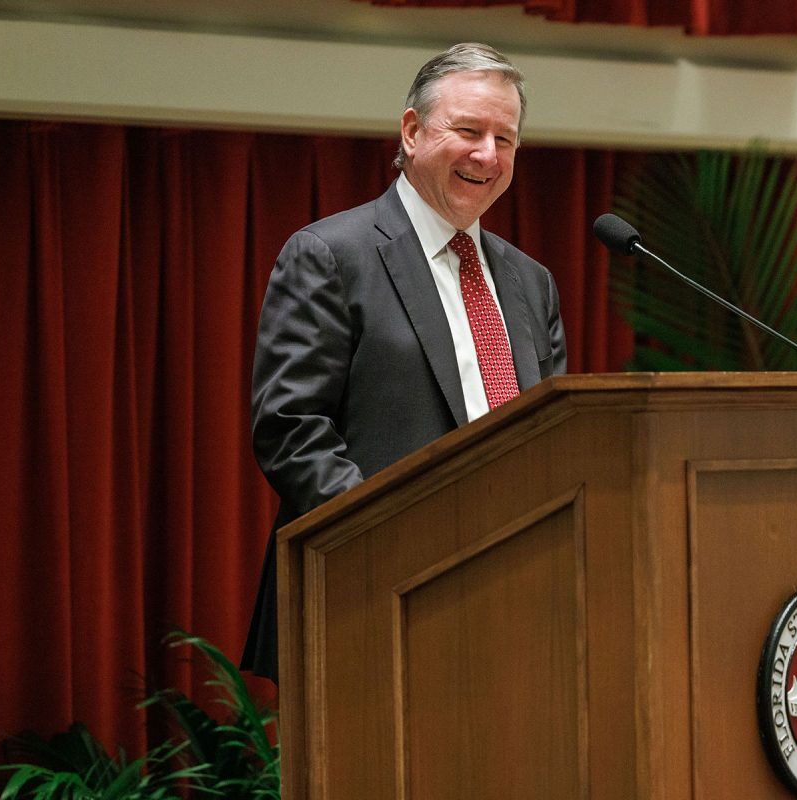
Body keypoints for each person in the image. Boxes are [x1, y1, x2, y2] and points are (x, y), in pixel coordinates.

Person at [240, 42, 567, 681]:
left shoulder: (532, 283)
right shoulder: (331, 255)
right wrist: (394, 543)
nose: (488, 155)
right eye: (469, 131)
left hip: (512, 600)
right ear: (413, 132)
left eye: (506, 139)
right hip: (367, 599)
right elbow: (292, 430)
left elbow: (548, 443)